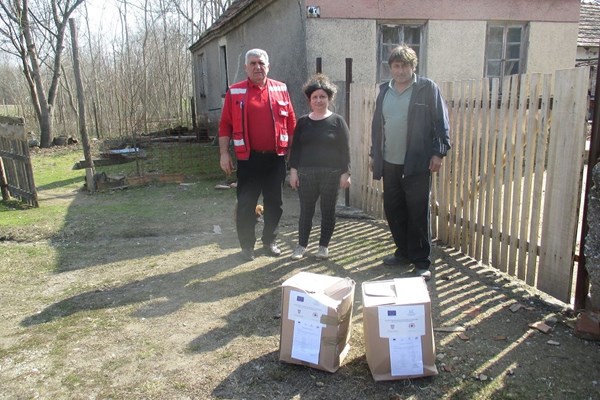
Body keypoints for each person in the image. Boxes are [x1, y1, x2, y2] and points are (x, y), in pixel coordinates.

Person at [370, 44, 451, 280]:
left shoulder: (427, 88)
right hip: (389, 162)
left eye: (405, 65)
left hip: (416, 162)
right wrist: (374, 155)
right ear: (391, 68)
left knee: (417, 211)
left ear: (413, 66)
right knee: (393, 209)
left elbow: (441, 122)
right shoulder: (385, 90)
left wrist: (438, 153)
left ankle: (421, 260)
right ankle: (402, 252)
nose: (400, 70)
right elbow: (378, 126)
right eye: (396, 65)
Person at [218, 48, 296, 261]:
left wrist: (292, 153)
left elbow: (291, 121)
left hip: (275, 158)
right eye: (252, 63)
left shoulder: (281, 89)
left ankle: (270, 241)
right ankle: (247, 246)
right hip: (248, 159)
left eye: (261, 63)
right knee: (246, 204)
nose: (257, 67)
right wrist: (224, 153)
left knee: (275, 204)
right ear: (246, 67)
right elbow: (225, 125)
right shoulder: (235, 92)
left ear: (268, 66)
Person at [288, 74, 351, 260]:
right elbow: (296, 149)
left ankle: (323, 247)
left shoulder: (338, 121)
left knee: (327, 210)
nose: (318, 100)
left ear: (329, 99)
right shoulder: (302, 122)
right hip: (306, 174)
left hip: (332, 174)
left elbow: (345, 149)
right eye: (315, 97)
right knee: (306, 210)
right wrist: (293, 172)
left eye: (322, 96)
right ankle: (301, 246)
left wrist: (346, 172)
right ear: (309, 100)